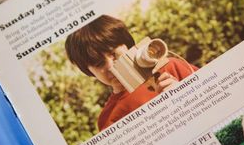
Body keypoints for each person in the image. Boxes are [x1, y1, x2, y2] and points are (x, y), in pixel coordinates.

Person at [65, 15, 197, 130]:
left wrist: (184, 93)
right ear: (89, 72)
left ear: (127, 45)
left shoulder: (170, 67)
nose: (111, 66)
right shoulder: (108, 118)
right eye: (99, 63)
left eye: (113, 53)